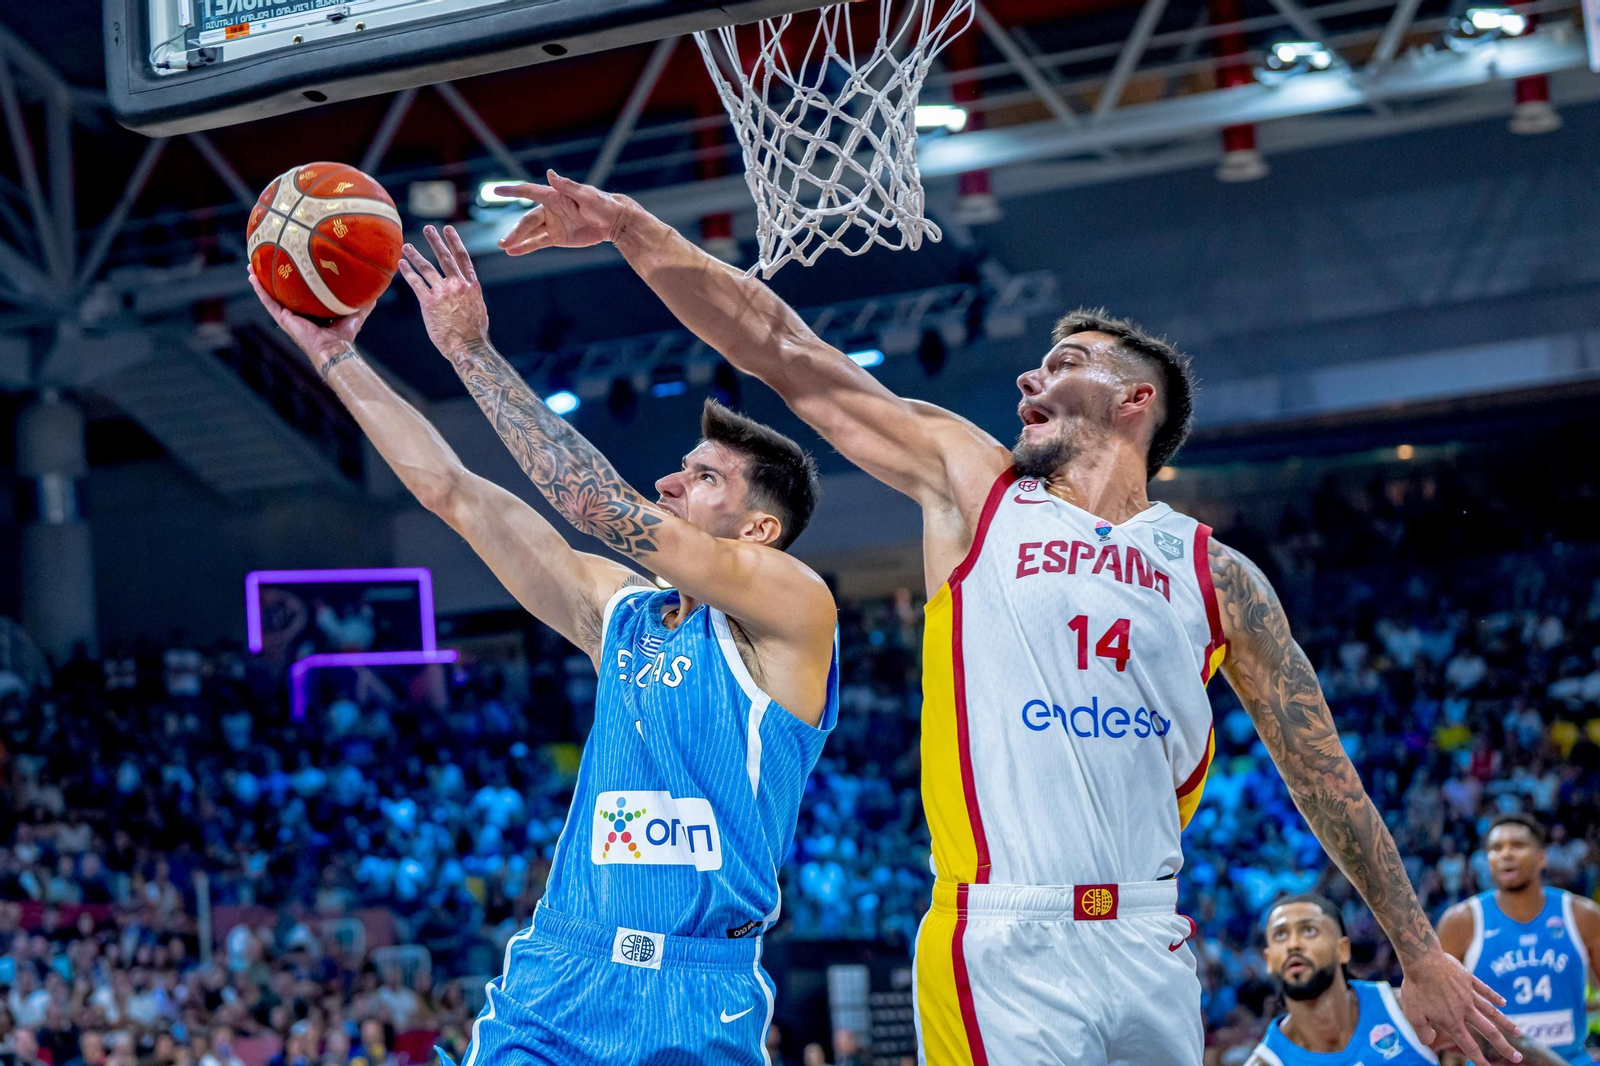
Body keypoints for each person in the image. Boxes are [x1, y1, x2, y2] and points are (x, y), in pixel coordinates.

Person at [491, 171, 1521, 1066]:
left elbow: (1320, 765)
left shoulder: (1217, 574)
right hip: (1003, 938)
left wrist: (1418, 947)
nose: (1032, 372)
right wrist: (634, 231)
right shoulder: (974, 488)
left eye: (1064, 357)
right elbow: (780, 347)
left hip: (1151, 941)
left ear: (1136, 399)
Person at [248, 221, 839, 1066]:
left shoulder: (794, 606)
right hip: (559, 975)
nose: (670, 482)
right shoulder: (621, 613)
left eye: (703, 477)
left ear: (759, 527)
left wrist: (472, 355)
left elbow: (595, 504)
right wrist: (334, 355)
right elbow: (451, 492)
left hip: (696, 991)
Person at [1246, 896, 1567, 1066]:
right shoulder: (1266, 1062)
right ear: (1268, 960)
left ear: (1344, 949)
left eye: (1309, 930)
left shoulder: (1405, 1011)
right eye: (1280, 935)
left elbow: (1516, 1052)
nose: (1293, 944)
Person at [1439, 814, 1600, 1066]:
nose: (1506, 854)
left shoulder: (1583, 915)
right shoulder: (1460, 922)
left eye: (1518, 845)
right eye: (1496, 848)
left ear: (1542, 857)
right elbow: (1442, 1014)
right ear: (1488, 861)